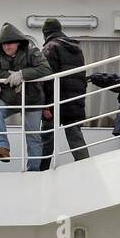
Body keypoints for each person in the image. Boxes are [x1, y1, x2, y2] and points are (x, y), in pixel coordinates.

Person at [0, 22, 53, 171]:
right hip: (9, 98)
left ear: (18, 42)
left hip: (32, 99)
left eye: (10, 43)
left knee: (33, 136)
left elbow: (46, 69)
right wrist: (9, 75)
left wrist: (22, 74)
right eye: (4, 44)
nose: (7, 47)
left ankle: (34, 170)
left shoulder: (31, 52)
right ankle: (2, 147)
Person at [38, 18, 89, 170]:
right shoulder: (76, 48)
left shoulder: (50, 48)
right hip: (74, 100)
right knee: (75, 137)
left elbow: (47, 79)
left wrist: (45, 105)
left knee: (47, 138)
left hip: (56, 101)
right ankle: (86, 166)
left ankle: (42, 170)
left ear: (45, 33)